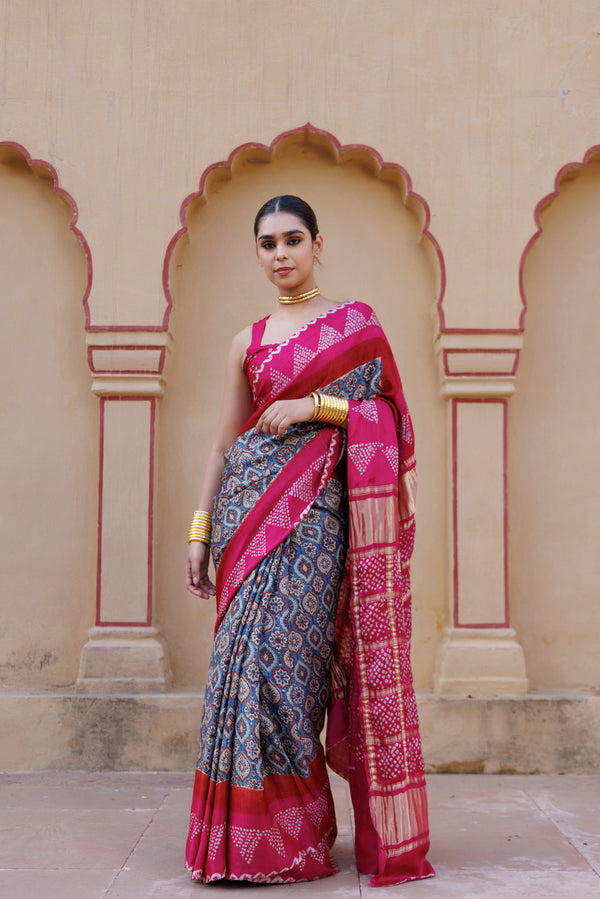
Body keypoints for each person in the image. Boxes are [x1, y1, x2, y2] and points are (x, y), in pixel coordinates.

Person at [184, 195, 435, 886]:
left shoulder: (356, 327)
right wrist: (200, 530)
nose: (281, 254)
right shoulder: (248, 341)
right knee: (237, 675)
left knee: (288, 676)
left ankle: (294, 837)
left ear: (318, 243)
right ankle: (240, 843)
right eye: (267, 244)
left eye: (293, 239)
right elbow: (223, 442)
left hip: (316, 523)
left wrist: (316, 405)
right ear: (258, 252)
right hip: (245, 518)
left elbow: (389, 418)